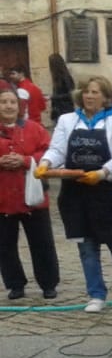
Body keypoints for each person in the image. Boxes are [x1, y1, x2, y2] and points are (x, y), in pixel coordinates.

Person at [39, 75, 112, 313]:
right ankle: (96, 294)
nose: (89, 96)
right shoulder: (67, 120)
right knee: (86, 245)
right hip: (77, 192)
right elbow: (58, 148)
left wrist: (103, 173)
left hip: (109, 191)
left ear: (105, 97)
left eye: (95, 92)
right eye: (86, 91)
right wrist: (45, 162)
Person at [0, 84, 59, 300]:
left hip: (32, 197)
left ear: (19, 105)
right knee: (5, 245)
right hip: (3, 198)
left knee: (42, 242)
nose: (8, 106)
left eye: (12, 102)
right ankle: (15, 284)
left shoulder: (34, 129)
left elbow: (48, 152)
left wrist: (26, 160)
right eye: (3, 102)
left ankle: (48, 283)